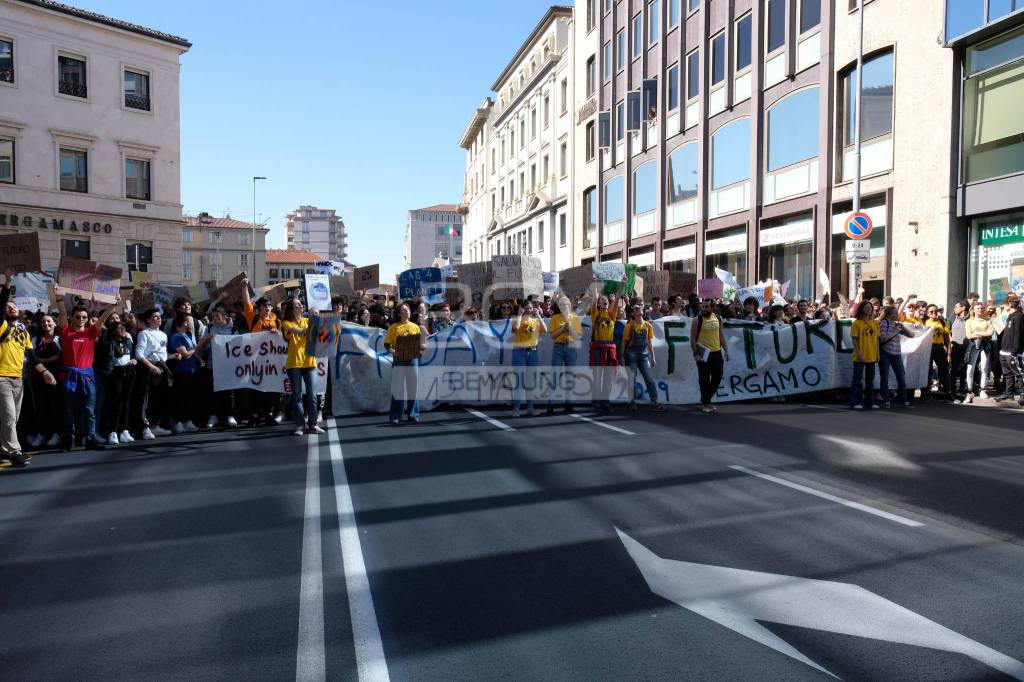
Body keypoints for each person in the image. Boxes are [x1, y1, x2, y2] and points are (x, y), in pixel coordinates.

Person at [0, 270, 57, 466]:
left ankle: (3, 448)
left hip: (18, 378)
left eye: (13, 305)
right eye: (8, 306)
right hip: (1, 378)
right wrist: (8, 282)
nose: (12, 308)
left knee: (12, 418)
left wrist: (45, 372)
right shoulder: (0, 326)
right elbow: (1, 306)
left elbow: (31, 356)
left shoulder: (23, 330)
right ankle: (14, 452)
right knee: (8, 417)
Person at [53, 291, 119, 450]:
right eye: (77, 317)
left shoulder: (91, 332)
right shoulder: (66, 331)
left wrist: (113, 305)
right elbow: (62, 313)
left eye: (84, 317)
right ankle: (68, 438)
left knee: (89, 410)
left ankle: (90, 438)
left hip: (87, 375)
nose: (81, 319)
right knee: (69, 410)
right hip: (70, 375)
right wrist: (59, 298)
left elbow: (103, 319)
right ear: (72, 318)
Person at [281, 298, 324, 435]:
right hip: (294, 363)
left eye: (300, 304)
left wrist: (316, 316)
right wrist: (309, 328)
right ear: (292, 309)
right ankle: (300, 425)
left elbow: (320, 331)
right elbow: (297, 331)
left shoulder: (307, 321)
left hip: (309, 361)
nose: (300, 306)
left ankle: (313, 424)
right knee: (297, 395)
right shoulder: (286, 323)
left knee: (312, 394)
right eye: (297, 304)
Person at [133, 308, 173, 440]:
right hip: (148, 368)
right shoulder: (144, 334)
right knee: (146, 398)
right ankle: (144, 428)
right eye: (155, 317)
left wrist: (172, 356)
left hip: (161, 367)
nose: (158, 318)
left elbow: (161, 353)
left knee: (158, 398)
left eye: (159, 316)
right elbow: (139, 354)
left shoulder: (163, 335)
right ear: (148, 320)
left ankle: (155, 425)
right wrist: (150, 366)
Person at [384, 303, 427, 424]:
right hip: (399, 359)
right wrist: (393, 351)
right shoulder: (393, 327)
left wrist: (422, 347)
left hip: (413, 359)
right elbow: (387, 344)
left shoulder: (415, 327)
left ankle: (413, 414)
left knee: (413, 387)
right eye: (403, 309)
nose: (406, 311)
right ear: (399, 313)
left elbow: (421, 345)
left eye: (407, 309)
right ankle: (396, 416)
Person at [199, 305, 239, 428]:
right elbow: (202, 346)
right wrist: (207, 340)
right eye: (213, 316)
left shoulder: (233, 329)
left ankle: (230, 415)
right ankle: (214, 415)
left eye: (217, 316)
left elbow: (240, 346)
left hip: (229, 366)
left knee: (229, 392)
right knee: (214, 392)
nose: (214, 319)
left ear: (225, 316)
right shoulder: (210, 327)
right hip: (213, 365)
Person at [621, 303, 664, 412]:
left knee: (649, 378)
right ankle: (632, 402)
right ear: (633, 313)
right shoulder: (629, 326)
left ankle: (655, 401)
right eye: (635, 308)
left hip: (644, 354)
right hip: (631, 354)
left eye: (640, 307)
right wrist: (622, 356)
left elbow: (649, 341)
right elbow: (624, 342)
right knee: (632, 379)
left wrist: (653, 356)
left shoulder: (648, 325)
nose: (638, 308)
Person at [28, 314, 63, 448]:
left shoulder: (60, 339)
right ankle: (42, 434)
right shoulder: (35, 339)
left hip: (56, 375)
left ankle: (56, 433)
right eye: (43, 322)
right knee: (41, 405)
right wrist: (49, 360)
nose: (46, 324)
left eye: (49, 321)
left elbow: (61, 356)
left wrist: (41, 361)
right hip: (38, 376)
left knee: (55, 405)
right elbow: (31, 357)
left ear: (54, 323)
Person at [100, 320, 136, 444]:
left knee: (126, 402)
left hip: (129, 372)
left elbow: (132, 354)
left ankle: (125, 430)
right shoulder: (108, 342)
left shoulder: (127, 341)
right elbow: (104, 338)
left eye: (123, 327)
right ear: (112, 331)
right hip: (115, 373)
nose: (122, 330)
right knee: (116, 402)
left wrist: (134, 360)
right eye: (119, 328)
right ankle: (113, 431)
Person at [510, 299, 547, 417]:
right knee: (519, 381)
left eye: (530, 308)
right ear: (522, 309)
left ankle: (530, 408)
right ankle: (516, 409)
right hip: (519, 352)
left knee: (530, 382)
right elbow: (515, 328)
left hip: (532, 352)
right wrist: (520, 314)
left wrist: (539, 316)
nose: (528, 310)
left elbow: (545, 330)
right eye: (526, 308)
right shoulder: (517, 320)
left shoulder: (535, 321)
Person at [691, 298, 729, 413]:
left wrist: (726, 349)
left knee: (717, 377)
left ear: (712, 308)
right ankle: (706, 403)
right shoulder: (697, 320)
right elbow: (692, 338)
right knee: (704, 379)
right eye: (702, 306)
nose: (704, 308)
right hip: (703, 353)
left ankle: (705, 399)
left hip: (717, 352)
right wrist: (696, 354)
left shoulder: (718, 318)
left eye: (706, 307)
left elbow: (721, 334)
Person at [546, 296, 581, 415]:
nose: (565, 306)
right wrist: (563, 328)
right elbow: (552, 335)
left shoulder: (575, 318)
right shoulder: (555, 318)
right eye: (562, 304)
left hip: (571, 347)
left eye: (567, 304)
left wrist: (570, 327)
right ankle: (550, 404)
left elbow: (577, 336)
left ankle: (568, 403)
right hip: (559, 347)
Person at [168, 314, 202, 434]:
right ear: (181, 324)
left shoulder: (187, 335)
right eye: (187, 322)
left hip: (191, 370)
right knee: (180, 398)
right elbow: (185, 354)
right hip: (181, 371)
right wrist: (196, 348)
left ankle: (188, 421)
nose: (190, 324)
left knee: (189, 398)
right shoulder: (177, 337)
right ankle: (178, 423)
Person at [877, 305, 914, 408]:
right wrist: (896, 331)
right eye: (896, 313)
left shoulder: (896, 324)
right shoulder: (883, 323)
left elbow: (911, 335)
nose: (897, 315)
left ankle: (903, 399)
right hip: (885, 352)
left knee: (901, 376)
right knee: (884, 377)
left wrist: (903, 327)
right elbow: (882, 339)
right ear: (890, 314)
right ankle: (886, 400)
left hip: (896, 353)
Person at [589, 292, 618, 412]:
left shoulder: (612, 314)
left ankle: (606, 401)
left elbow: (616, 302)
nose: (604, 300)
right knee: (597, 377)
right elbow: (594, 301)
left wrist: (622, 284)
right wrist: (596, 284)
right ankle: (596, 401)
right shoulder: (595, 314)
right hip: (598, 348)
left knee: (608, 378)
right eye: (602, 300)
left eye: (606, 299)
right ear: (599, 304)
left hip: (609, 348)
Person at [849, 302, 880, 410]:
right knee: (857, 380)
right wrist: (859, 354)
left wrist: (877, 354)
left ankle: (870, 402)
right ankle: (855, 401)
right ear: (861, 309)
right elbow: (854, 340)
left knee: (870, 380)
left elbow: (876, 339)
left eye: (870, 308)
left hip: (872, 355)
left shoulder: (875, 323)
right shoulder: (856, 323)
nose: (869, 310)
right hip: (860, 356)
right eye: (866, 308)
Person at [962, 302, 993, 402]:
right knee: (970, 368)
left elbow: (990, 333)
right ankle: (969, 391)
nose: (980, 310)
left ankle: (983, 389)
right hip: (973, 345)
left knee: (984, 367)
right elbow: (968, 335)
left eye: (981, 308)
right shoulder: (969, 321)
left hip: (985, 344)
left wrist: (977, 333)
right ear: (973, 310)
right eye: (978, 308)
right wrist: (981, 334)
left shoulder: (988, 320)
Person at [994, 296, 1023, 403]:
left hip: (1012, 350)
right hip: (1004, 349)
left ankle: (1022, 393)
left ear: (1010, 304)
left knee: (1018, 372)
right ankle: (1008, 393)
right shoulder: (1009, 316)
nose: (1003, 306)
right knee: (1007, 373)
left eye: (1005, 304)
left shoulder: (1019, 316)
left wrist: (1015, 350)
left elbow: (1018, 335)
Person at [923, 304, 952, 400]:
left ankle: (948, 391)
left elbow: (947, 338)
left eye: (935, 311)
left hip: (939, 347)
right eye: (931, 311)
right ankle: (926, 393)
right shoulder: (925, 322)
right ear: (927, 314)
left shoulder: (943, 322)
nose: (934, 313)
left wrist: (948, 353)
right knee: (928, 370)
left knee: (944, 369)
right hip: (928, 347)